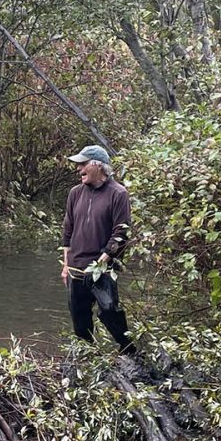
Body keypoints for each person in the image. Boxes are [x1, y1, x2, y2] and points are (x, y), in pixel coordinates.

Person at [61, 144, 137, 354]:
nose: (79, 169)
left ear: (98, 166)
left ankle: (130, 353)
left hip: (102, 268)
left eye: (83, 164)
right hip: (76, 268)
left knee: (110, 313)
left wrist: (100, 263)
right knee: (80, 320)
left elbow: (121, 233)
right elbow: (67, 231)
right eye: (79, 165)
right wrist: (66, 266)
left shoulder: (118, 193)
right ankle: (90, 358)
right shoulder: (75, 193)